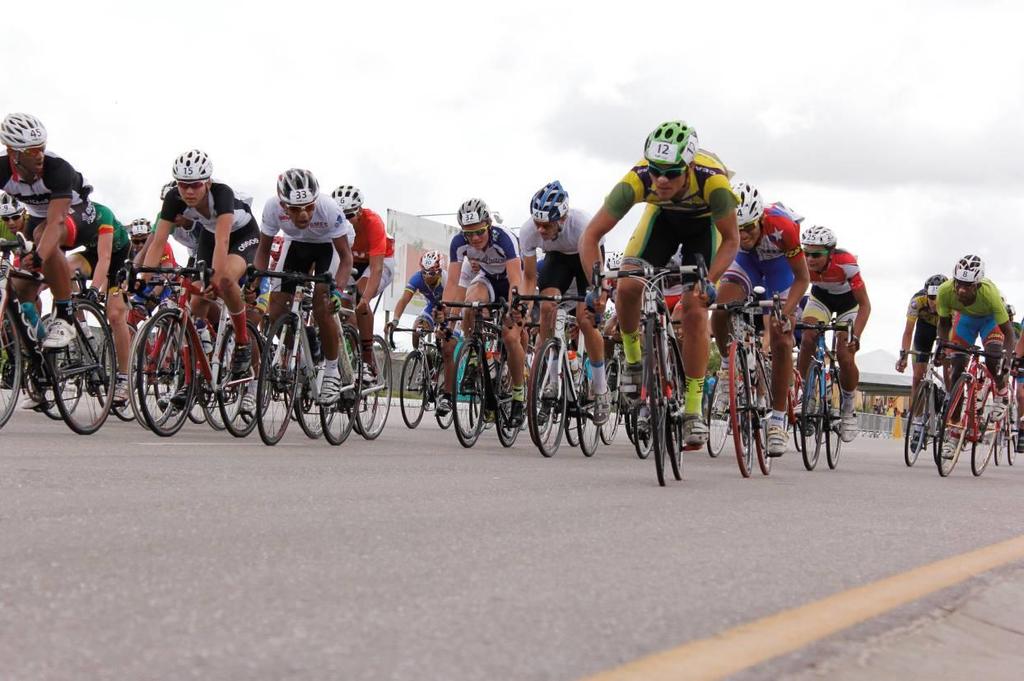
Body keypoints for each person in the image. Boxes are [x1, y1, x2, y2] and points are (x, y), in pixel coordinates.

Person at [578, 120, 740, 446]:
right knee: (627, 285)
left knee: (695, 306)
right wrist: (596, 286)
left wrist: (709, 280)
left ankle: (693, 411)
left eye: (672, 172)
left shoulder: (714, 182)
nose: (662, 179)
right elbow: (591, 235)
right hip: (661, 220)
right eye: (656, 170)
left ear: (690, 166)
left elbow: (731, 240)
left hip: (701, 227)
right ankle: (634, 360)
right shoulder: (637, 179)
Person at [711, 181, 810, 456]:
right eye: (737, 229)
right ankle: (727, 364)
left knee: (781, 337)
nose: (743, 235)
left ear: (761, 220)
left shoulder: (783, 226)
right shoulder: (725, 227)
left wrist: (787, 311)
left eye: (749, 229)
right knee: (720, 307)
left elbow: (803, 278)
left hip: (780, 269)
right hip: (747, 263)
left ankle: (777, 422)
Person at [143, 150, 260, 375]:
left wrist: (213, 279)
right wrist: (142, 281)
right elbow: (157, 243)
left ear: (207, 182)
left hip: (242, 235)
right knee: (196, 305)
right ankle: (200, 367)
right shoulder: (173, 200)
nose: (188, 191)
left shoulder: (222, 193)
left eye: (195, 184)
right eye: (182, 184)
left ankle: (243, 342)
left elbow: (223, 240)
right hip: (210, 234)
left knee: (223, 280)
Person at [253, 169, 355, 403]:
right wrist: (255, 282)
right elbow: (263, 250)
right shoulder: (271, 208)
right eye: (295, 208)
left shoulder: (329, 209)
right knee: (277, 311)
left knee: (322, 303)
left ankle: (331, 371)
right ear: (282, 204)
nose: (303, 214)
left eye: (309, 207)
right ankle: (305, 348)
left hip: (329, 244)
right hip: (296, 244)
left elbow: (346, 259)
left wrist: (336, 291)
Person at [0, 113, 96, 348]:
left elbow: (55, 223)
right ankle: (37, 350)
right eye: (32, 151)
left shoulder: (57, 168)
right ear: (14, 153)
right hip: (37, 216)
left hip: (76, 212)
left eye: (41, 147)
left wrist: (39, 255)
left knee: (45, 238)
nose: (40, 155)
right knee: (21, 286)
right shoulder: (2, 169)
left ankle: (65, 316)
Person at [519, 180, 610, 424]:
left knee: (586, 320)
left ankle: (600, 389)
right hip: (557, 258)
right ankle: (550, 378)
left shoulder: (582, 223)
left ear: (562, 218)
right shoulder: (528, 231)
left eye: (546, 225)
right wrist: (525, 309)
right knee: (547, 306)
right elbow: (528, 277)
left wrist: (598, 297)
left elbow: (596, 272)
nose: (540, 230)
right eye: (537, 223)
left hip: (585, 255)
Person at [437, 198, 525, 425]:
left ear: (489, 224)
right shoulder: (459, 243)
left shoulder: (503, 237)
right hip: (489, 279)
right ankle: (474, 355)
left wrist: (514, 306)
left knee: (510, 335)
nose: (474, 239)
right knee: (471, 303)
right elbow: (453, 283)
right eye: (469, 234)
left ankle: (518, 396)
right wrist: (445, 314)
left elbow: (516, 277)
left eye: (479, 232)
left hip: (513, 281)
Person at [795, 225, 871, 442]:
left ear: (830, 252)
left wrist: (856, 336)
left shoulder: (846, 263)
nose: (810, 259)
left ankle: (848, 407)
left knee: (845, 354)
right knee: (808, 335)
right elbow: (795, 289)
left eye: (816, 254)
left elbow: (865, 305)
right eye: (806, 253)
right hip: (820, 299)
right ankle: (804, 395)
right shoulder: (801, 262)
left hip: (849, 304)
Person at [937, 255, 1013, 459]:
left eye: (967, 285)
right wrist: (943, 347)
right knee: (957, 370)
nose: (961, 289)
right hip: (966, 321)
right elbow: (944, 324)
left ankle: (1002, 390)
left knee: (993, 357)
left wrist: (1006, 359)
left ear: (977, 285)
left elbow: (1009, 332)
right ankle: (953, 435)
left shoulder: (990, 294)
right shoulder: (945, 290)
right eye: (958, 283)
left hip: (990, 321)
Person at [331, 185, 395, 381]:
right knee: (337, 298)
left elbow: (376, 269)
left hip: (380, 262)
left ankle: (367, 360)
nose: (345, 221)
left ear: (359, 212)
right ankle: (347, 345)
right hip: (351, 261)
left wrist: (366, 298)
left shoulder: (373, 222)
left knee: (359, 294)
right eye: (340, 216)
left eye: (349, 215)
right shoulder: (332, 224)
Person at [896, 274, 946, 447]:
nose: (934, 302)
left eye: (938, 298)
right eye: (931, 297)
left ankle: (947, 401)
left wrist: (944, 353)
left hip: (944, 329)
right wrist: (903, 355)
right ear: (926, 294)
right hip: (923, 331)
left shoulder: (951, 304)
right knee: (918, 376)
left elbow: (953, 334)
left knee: (950, 364)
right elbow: (908, 331)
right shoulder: (917, 301)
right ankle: (917, 423)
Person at [387, 250, 447, 350]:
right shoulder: (417, 278)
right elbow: (404, 300)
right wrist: (395, 320)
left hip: (448, 308)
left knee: (445, 343)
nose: (427, 276)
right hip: (432, 307)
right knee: (417, 330)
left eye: (431, 273)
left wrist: (443, 321)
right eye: (424, 272)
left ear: (439, 271)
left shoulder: (446, 278)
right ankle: (420, 359)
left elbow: (452, 303)